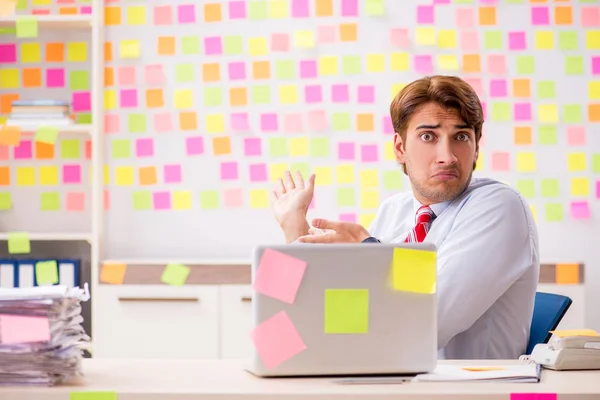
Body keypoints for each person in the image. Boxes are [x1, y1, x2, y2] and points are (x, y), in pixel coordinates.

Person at [269, 75, 540, 360]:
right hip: (395, 379)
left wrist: (370, 251)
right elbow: (342, 318)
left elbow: (421, 324)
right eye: (428, 136)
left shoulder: (499, 207)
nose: (447, 156)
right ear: (400, 148)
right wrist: (294, 228)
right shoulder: (395, 210)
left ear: (476, 148)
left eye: (461, 137)